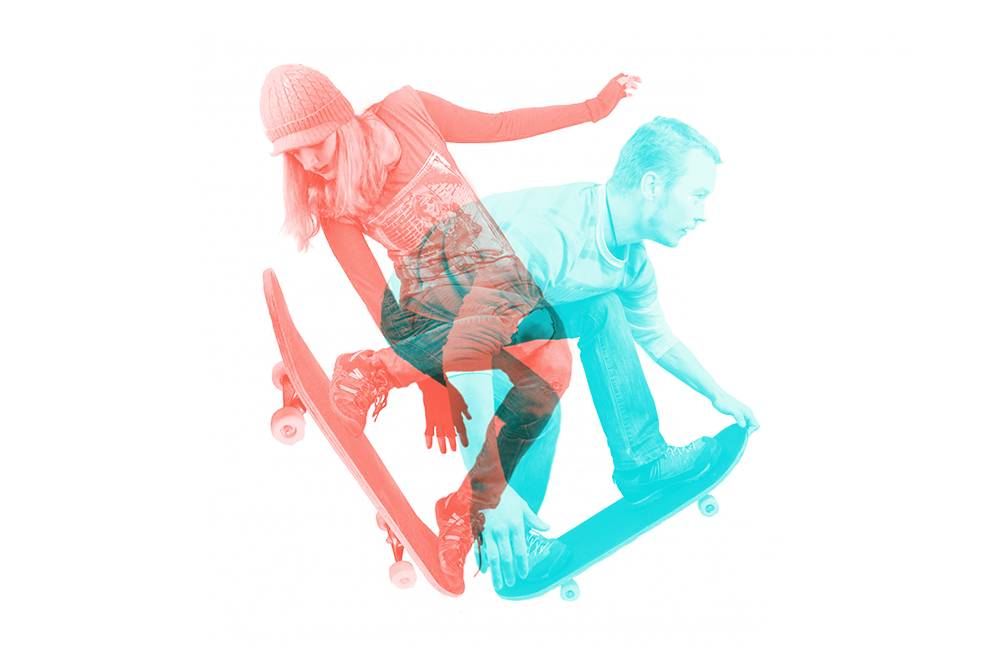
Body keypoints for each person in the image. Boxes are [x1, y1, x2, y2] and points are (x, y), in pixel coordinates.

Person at [259, 64, 639, 593]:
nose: (308, 162)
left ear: (342, 121)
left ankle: (464, 508)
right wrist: (428, 379)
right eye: (293, 155)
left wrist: (593, 110)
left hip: (500, 284)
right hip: (437, 312)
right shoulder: (333, 205)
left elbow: (501, 125)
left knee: (553, 368)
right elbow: (378, 300)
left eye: (315, 143)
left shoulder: (408, 110)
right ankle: (374, 371)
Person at [357, 117, 760, 590]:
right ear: (653, 185)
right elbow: (467, 356)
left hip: (488, 309)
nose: (703, 212)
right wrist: (489, 489)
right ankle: (376, 375)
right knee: (537, 403)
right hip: (423, 304)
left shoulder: (628, 261)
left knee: (604, 309)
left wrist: (717, 395)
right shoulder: (552, 236)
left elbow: (658, 337)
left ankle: (642, 461)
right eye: (697, 195)